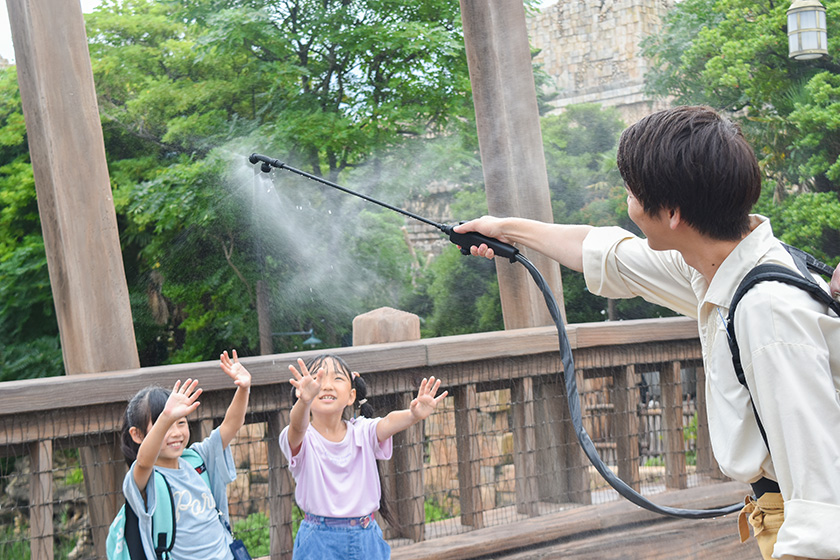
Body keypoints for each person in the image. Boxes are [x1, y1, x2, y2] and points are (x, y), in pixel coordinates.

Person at [454, 105, 840, 560]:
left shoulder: (768, 311)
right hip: (773, 512)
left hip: (800, 528)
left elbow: (823, 504)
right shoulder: (718, 264)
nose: (628, 202)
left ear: (672, 212)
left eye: (633, 192)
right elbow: (608, 254)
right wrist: (503, 229)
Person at [278, 354, 447, 559]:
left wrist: (413, 415)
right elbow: (297, 427)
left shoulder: (363, 431)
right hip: (318, 542)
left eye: (338, 378)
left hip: (366, 536)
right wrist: (303, 403)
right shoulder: (302, 438)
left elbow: (387, 422)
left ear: (351, 396)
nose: (328, 385)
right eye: (318, 379)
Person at [119, 350, 252, 560]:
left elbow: (231, 425)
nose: (176, 433)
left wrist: (244, 388)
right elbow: (143, 461)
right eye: (164, 427)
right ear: (137, 435)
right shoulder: (145, 479)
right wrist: (167, 416)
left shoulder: (198, 458)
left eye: (181, 422)